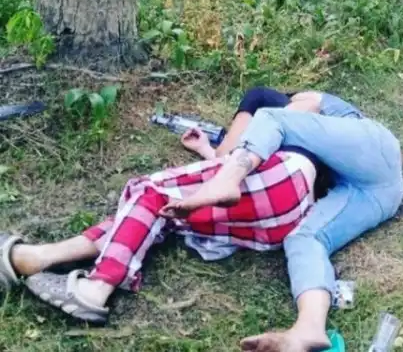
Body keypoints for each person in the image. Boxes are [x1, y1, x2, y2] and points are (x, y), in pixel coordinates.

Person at [161, 88, 403, 352]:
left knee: (270, 118)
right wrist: (207, 150)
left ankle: (226, 180)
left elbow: (287, 116)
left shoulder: (293, 105)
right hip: (379, 197)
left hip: (374, 150)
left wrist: (228, 156)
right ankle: (309, 329)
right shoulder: (285, 145)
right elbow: (238, 154)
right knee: (303, 239)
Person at [0, 137, 319, 325]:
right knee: (164, 215)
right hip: (292, 215)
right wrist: (207, 150)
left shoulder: (280, 106)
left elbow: (243, 150)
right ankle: (39, 257)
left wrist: (222, 148)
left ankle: (95, 289)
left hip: (285, 171)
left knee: (151, 192)